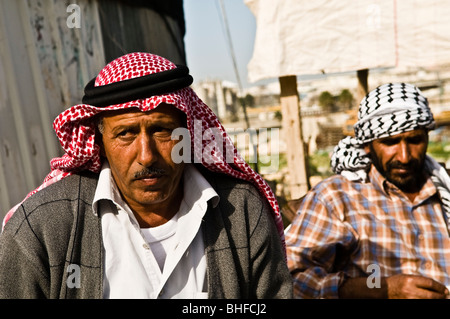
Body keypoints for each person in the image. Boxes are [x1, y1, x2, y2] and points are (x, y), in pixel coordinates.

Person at [0, 52, 292, 299]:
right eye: (125, 134)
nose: (147, 155)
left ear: (188, 133)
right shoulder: (42, 227)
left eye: (161, 130)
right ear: (100, 142)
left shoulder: (240, 211)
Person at [286, 82, 450, 299]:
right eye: (390, 142)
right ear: (367, 144)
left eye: (414, 141)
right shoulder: (336, 197)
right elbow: (290, 278)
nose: (404, 156)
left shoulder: (443, 189)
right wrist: (380, 289)